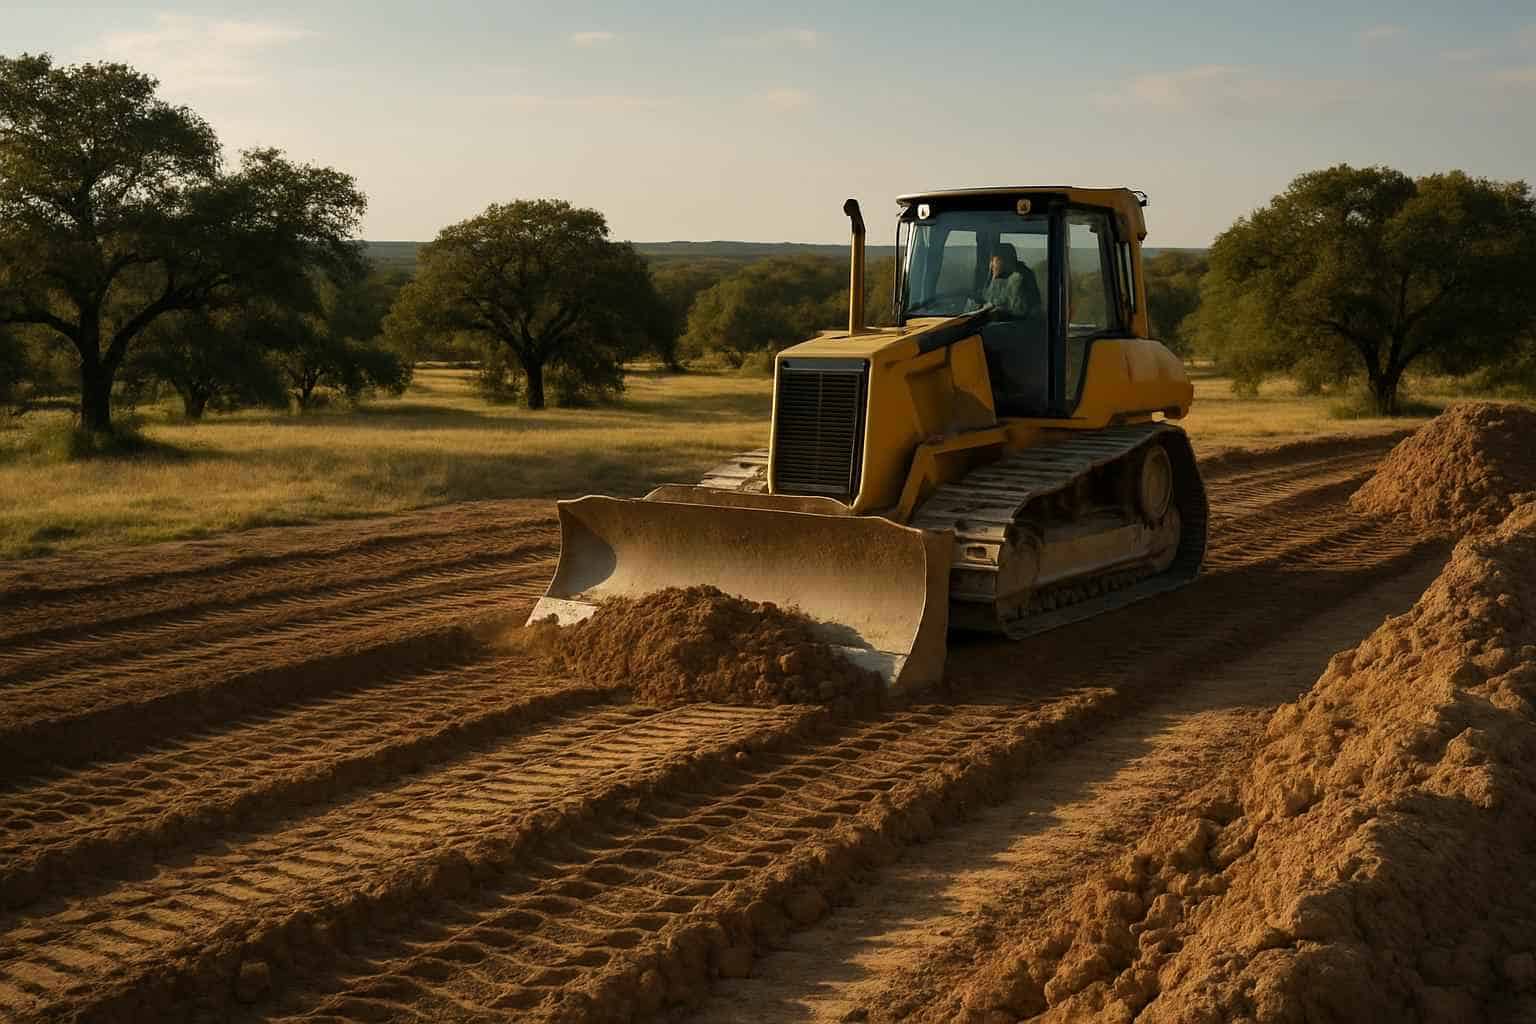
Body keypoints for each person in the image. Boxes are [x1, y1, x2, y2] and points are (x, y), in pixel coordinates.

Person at [979, 243, 1042, 320]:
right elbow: (987, 299)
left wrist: (1000, 313)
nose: (991, 265)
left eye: (994, 261)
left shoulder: (1020, 277)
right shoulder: (1001, 277)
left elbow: (1021, 311)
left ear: (1005, 260)